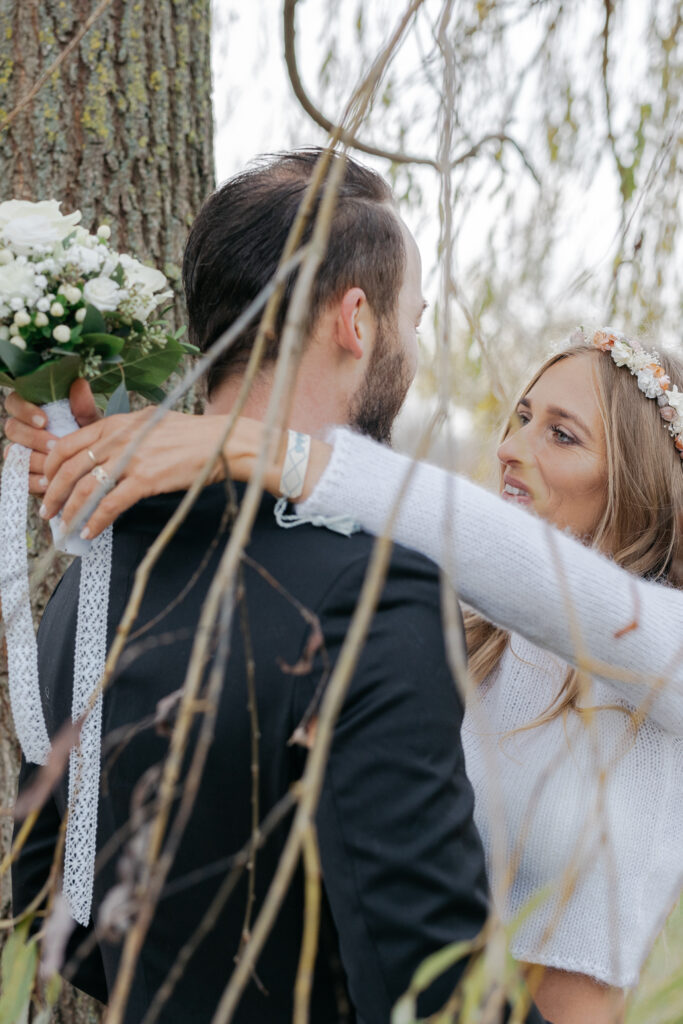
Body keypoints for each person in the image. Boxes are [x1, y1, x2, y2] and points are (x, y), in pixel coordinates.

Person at [10, 315, 683, 1024]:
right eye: (519, 417)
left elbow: (506, 557)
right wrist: (100, 455)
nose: (511, 449)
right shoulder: (462, 629)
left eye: (560, 433)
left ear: (637, 479)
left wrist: (270, 447)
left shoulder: (663, 655)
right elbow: (287, 560)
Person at [6, 151, 548, 1024]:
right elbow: (428, 987)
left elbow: (47, 900)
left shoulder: (97, 564)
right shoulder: (372, 593)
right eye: (414, 316)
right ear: (356, 320)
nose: (412, 345)